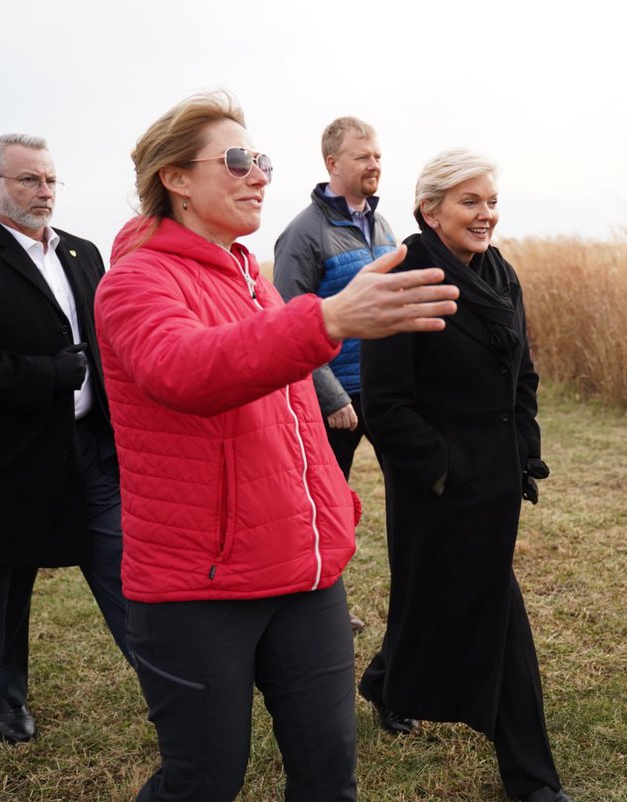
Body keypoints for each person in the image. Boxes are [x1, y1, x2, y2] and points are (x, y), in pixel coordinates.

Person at [93, 91, 457, 802]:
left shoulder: (247, 276)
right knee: (203, 781)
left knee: (329, 777)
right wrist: (323, 318)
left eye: (260, 158)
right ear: (175, 178)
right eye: (237, 159)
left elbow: (287, 417)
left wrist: (330, 505)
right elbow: (186, 370)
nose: (259, 173)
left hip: (303, 571)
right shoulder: (135, 281)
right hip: (200, 584)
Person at [357, 148, 573, 802]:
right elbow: (386, 405)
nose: (486, 215)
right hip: (440, 486)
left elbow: (523, 372)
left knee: (431, 591)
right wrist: (443, 472)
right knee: (497, 609)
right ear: (429, 209)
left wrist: (524, 448)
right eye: (470, 202)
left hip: (498, 475)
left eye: (491, 202)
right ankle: (531, 776)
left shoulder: (499, 272)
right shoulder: (403, 274)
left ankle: (385, 679)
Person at [0, 134, 130, 744]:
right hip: (6, 457)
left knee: (124, 566)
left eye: (51, 180)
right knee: (5, 587)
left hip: (89, 449)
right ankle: (7, 695)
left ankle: (160, 674)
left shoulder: (84, 254)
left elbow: (106, 341)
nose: (45, 192)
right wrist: (49, 376)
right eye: (30, 180)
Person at [273, 116, 396, 635]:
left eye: (378, 156)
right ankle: (323, 608)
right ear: (333, 164)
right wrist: (328, 394)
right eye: (363, 156)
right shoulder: (303, 234)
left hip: (389, 393)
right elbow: (287, 320)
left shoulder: (383, 225)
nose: (374, 164)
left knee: (410, 499)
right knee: (325, 506)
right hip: (337, 400)